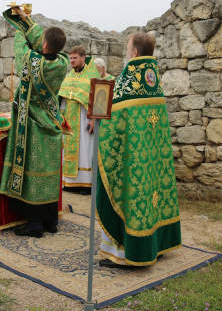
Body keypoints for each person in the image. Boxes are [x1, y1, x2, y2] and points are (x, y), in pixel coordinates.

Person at [97, 32, 181, 267]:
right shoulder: (153, 78)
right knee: (154, 195)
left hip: (132, 158)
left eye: (127, 48)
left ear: (134, 53)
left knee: (132, 197)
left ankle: (124, 253)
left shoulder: (128, 80)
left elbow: (111, 119)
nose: (126, 51)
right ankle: (158, 245)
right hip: (153, 156)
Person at [0, 6, 70, 238]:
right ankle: (51, 222)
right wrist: (27, 18)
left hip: (33, 126)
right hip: (52, 123)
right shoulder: (62, 63)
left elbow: (21, 50)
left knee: (32, 175)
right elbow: (44, 39)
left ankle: (35, 225)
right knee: (49, 176)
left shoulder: (32, 62)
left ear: (45, 46)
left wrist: (20, 26)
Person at [58, 47, 100, 192]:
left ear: (83, 57)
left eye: (75, 58)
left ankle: (86, 184)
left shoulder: (92, 74)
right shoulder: (70, 75)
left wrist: (94, 119)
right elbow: (63, 95)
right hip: (69, 117)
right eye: (70, 58)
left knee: (85, 150)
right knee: (68, 150)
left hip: (84, 118)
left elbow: (98, 98)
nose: (72, 61)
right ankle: (69, 182)